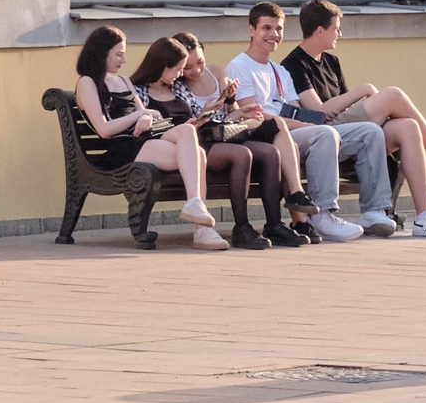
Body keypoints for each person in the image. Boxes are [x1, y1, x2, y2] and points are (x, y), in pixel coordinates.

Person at [280, 0, 426, 240]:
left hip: (351, 133)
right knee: (392, 95)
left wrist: (362, 101)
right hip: (323, 134)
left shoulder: (331, 61)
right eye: (336, 28)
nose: (340, 32)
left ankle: (425, 217)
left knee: (408, 127)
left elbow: (347, 106)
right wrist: (363, 90)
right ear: (320, 31)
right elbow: (318, 113)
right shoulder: (293, 64)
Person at [224, 2, 373, 242]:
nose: (274, 35)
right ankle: (323, 214)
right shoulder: (240, 65)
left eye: (279, 29)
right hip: (264, 136)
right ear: (251, 30)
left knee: (355, 132)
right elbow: (254, 115)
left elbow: (295, 111)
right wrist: (312, 128)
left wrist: (318, 123)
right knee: (324, 135)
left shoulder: (279, 70)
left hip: (289, 134)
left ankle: (316, 218)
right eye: (266, 28)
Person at [71, 25, 224, 249]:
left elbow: (149, 114)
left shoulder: (123, 81)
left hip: (142, 140)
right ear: (102, 52)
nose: (123, 60)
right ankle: (203, 229)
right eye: (119, 54)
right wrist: (139, 115)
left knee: (190, 134)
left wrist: (147, 117)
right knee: (197, 154)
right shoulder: (87, 83)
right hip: (120, 149)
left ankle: (196, 211)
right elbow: (103, 129)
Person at [171, 31, 317, 246]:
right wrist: (206, 112)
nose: (196, 71)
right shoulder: (178, 85)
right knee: (244, 153)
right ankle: (242, 227)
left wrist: (240, 112)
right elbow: (188, 127)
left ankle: (277, 222)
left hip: (228, 132)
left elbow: (230, 114)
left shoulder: (216, 72)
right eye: (188, 67)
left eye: (200, 62)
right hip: (204, 139)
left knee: (272, 142)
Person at [135, 37, 280, 250]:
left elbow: (198, 121)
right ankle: (232, 226)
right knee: (239, 154)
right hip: (165, 144)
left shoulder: (178, 89)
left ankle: (270, 225)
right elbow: (138, 121)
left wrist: (226, 110)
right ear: (162, 66)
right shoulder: (140, 91)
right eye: (179, 69)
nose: (182, 74)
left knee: (267, 150)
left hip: (193, 140)